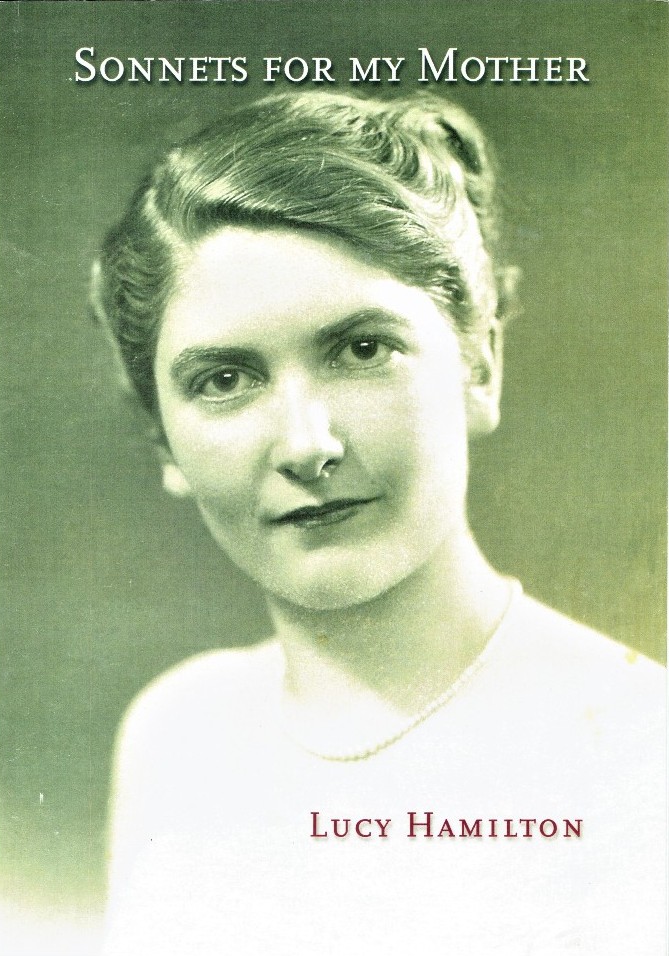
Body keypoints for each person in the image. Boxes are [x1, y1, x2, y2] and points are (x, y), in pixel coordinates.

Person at [93, 91, 665, 955]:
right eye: (224, 380)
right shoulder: (176, 733)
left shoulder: (636, 750)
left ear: (479, 366)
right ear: (162, 440)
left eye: (362, 350)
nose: (305, 445)